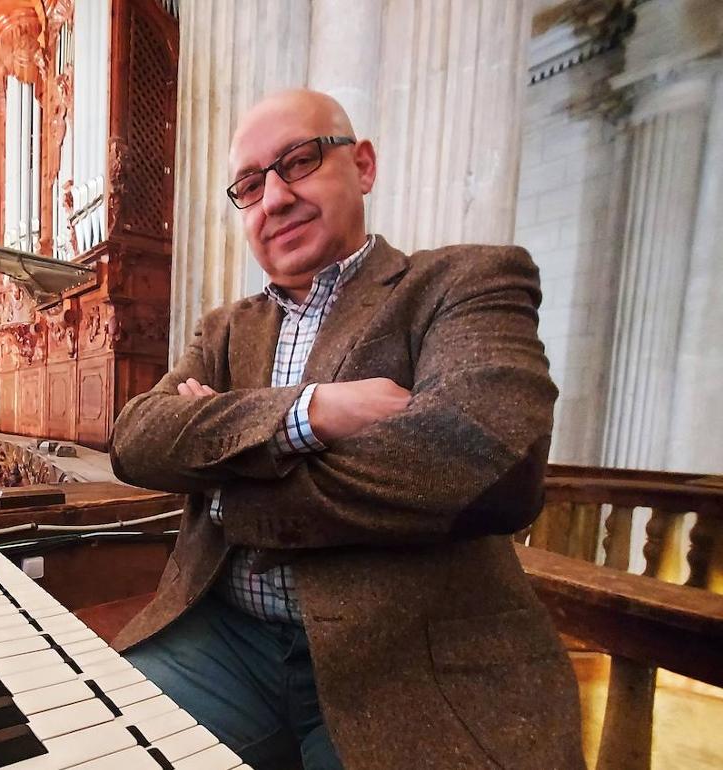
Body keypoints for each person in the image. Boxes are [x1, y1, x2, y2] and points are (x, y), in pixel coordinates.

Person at [109, 89, 585, 770]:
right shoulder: (223, 329)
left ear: (361, 165)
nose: (273, 198)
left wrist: (226, 483)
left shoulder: (461, 281)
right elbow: (136, 438)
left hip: (406, 662)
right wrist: (311, 412)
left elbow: (485, 462)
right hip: (225, 640)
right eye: (249, 184)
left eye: (298, 162)